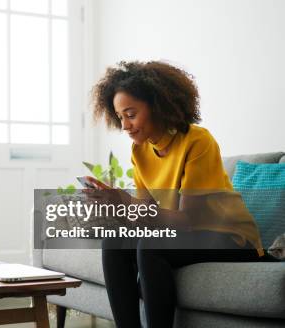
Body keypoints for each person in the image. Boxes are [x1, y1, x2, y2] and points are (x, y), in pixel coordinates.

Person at [82, 61, 263, 328]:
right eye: (120, 117)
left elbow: (188, 220)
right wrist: (115, 205)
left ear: (156, 106)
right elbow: (147, 217)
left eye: (131, 114)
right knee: (116, 240)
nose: (125, 125)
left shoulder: (197, 141)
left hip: (230, 237)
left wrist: (124, 201)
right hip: (188, 235)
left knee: (152, 245)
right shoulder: (140, 151)